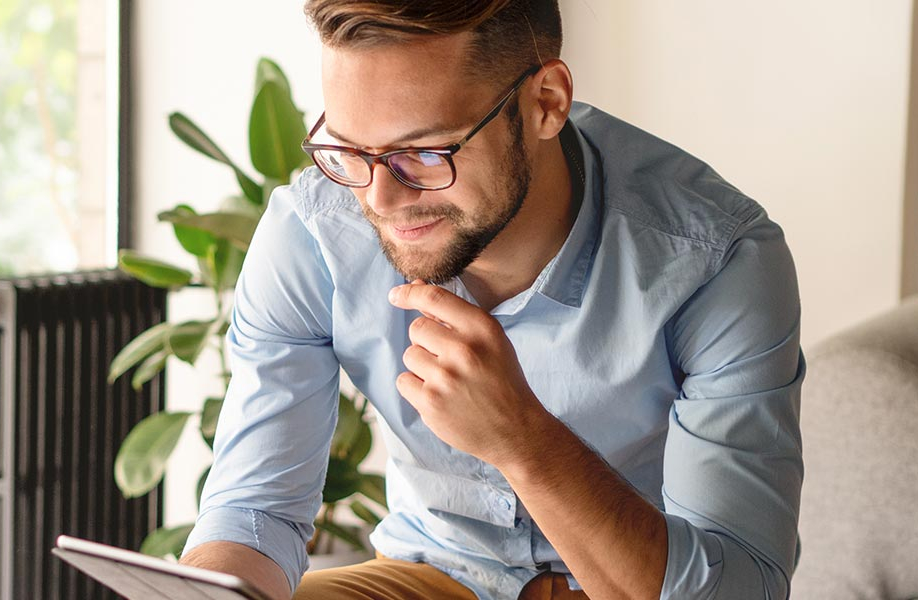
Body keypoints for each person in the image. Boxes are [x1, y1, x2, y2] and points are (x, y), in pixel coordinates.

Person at [178, 1, 804, 599]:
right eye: (348, 150)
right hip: (426, 574)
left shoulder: (715, 260)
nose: (378, 201)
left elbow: (737, 589)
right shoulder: (314, 233)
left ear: (545, 103)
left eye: (423, 153)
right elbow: (254, 510)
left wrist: (523, 440)